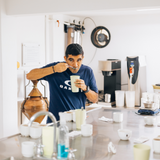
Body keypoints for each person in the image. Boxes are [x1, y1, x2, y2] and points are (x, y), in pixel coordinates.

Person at [26, 43, 98, 122]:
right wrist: (54, 69)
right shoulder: (57, 67)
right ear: (65, 58)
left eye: (79, 60)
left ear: (83, 58)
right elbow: (29, 76)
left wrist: (85, 88)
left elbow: (94, 99)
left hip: (77, 122)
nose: (75, 64)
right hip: (55, 122)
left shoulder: (87, 71)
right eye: (71, 60)